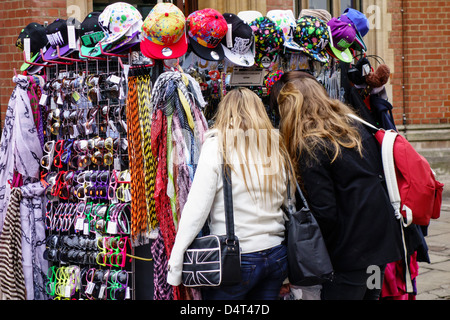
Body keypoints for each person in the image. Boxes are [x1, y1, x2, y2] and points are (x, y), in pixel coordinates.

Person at [271, 71, 403, 300]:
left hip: (349, 257)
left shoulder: (311, 143)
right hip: (378, 246)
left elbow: (326, 213)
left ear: (291, 108)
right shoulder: (353, 126)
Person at [167, 87, 293, 300]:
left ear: (225, 112)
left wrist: (176, 264)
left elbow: (196, 210)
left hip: (236, 259)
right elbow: (288, 203)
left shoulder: (217, 147)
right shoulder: (274, 147)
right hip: (276, 255)